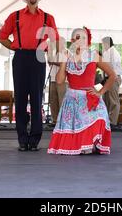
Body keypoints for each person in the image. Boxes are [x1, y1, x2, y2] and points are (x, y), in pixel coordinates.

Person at [0, 0, 59, 152]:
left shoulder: (48, 17)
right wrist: (15, 47)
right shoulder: (15, 16)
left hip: (39, 56)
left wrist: (53, 56)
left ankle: (35, 139)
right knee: (20, 98)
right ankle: (22, 139)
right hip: (21, 56)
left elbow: (55, 40)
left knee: (37, 98)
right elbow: (2, 37)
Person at [47, 27, 115, 155]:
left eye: (84, 38)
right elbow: (60, 81)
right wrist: (63, 62)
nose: (81, 41)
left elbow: (112, 75)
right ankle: (82, 144)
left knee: (100, 116)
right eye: (78, 38)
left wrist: (100, 92)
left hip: (89, 97)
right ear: (72, 41)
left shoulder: (94, 55)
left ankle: (89, 142)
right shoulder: (68, 57)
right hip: (72, 99)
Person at [101, 36, 122, 129]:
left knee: (113, 100)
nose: (103, 46)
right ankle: (107, 120)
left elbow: (111, 68)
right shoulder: (107, 52)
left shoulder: (113, 53)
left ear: (106, 43)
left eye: (103, 44)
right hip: (108, 77)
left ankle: (113, 122)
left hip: (113, 77)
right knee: (107, 100)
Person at [47, 37, 68, 127]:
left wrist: (54, 62)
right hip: (52, 77)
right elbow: (50, 62)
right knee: (53, 99)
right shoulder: (55, 52)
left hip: (62, 80)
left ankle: (62, 121)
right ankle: (54, 120)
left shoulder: (66, 52)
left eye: (58, 43)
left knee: (62, 100)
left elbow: (65, 64)